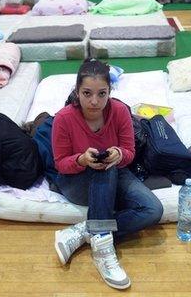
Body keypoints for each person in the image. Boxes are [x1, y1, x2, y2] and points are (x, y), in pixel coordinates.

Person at [52, 59, 163, 290]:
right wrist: (82, 159)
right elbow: (61, 164)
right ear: (77, 91)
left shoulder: (120, 111)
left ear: (110, 92)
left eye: (102, 94)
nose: (94, 101)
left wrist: (118, 153)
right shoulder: (64, 118)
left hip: (114, 173)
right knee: (106, 171)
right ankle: (102, 249)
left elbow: (130, 153)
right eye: (87, 93)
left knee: (153, 210)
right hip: (75, 180)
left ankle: (85, 231)